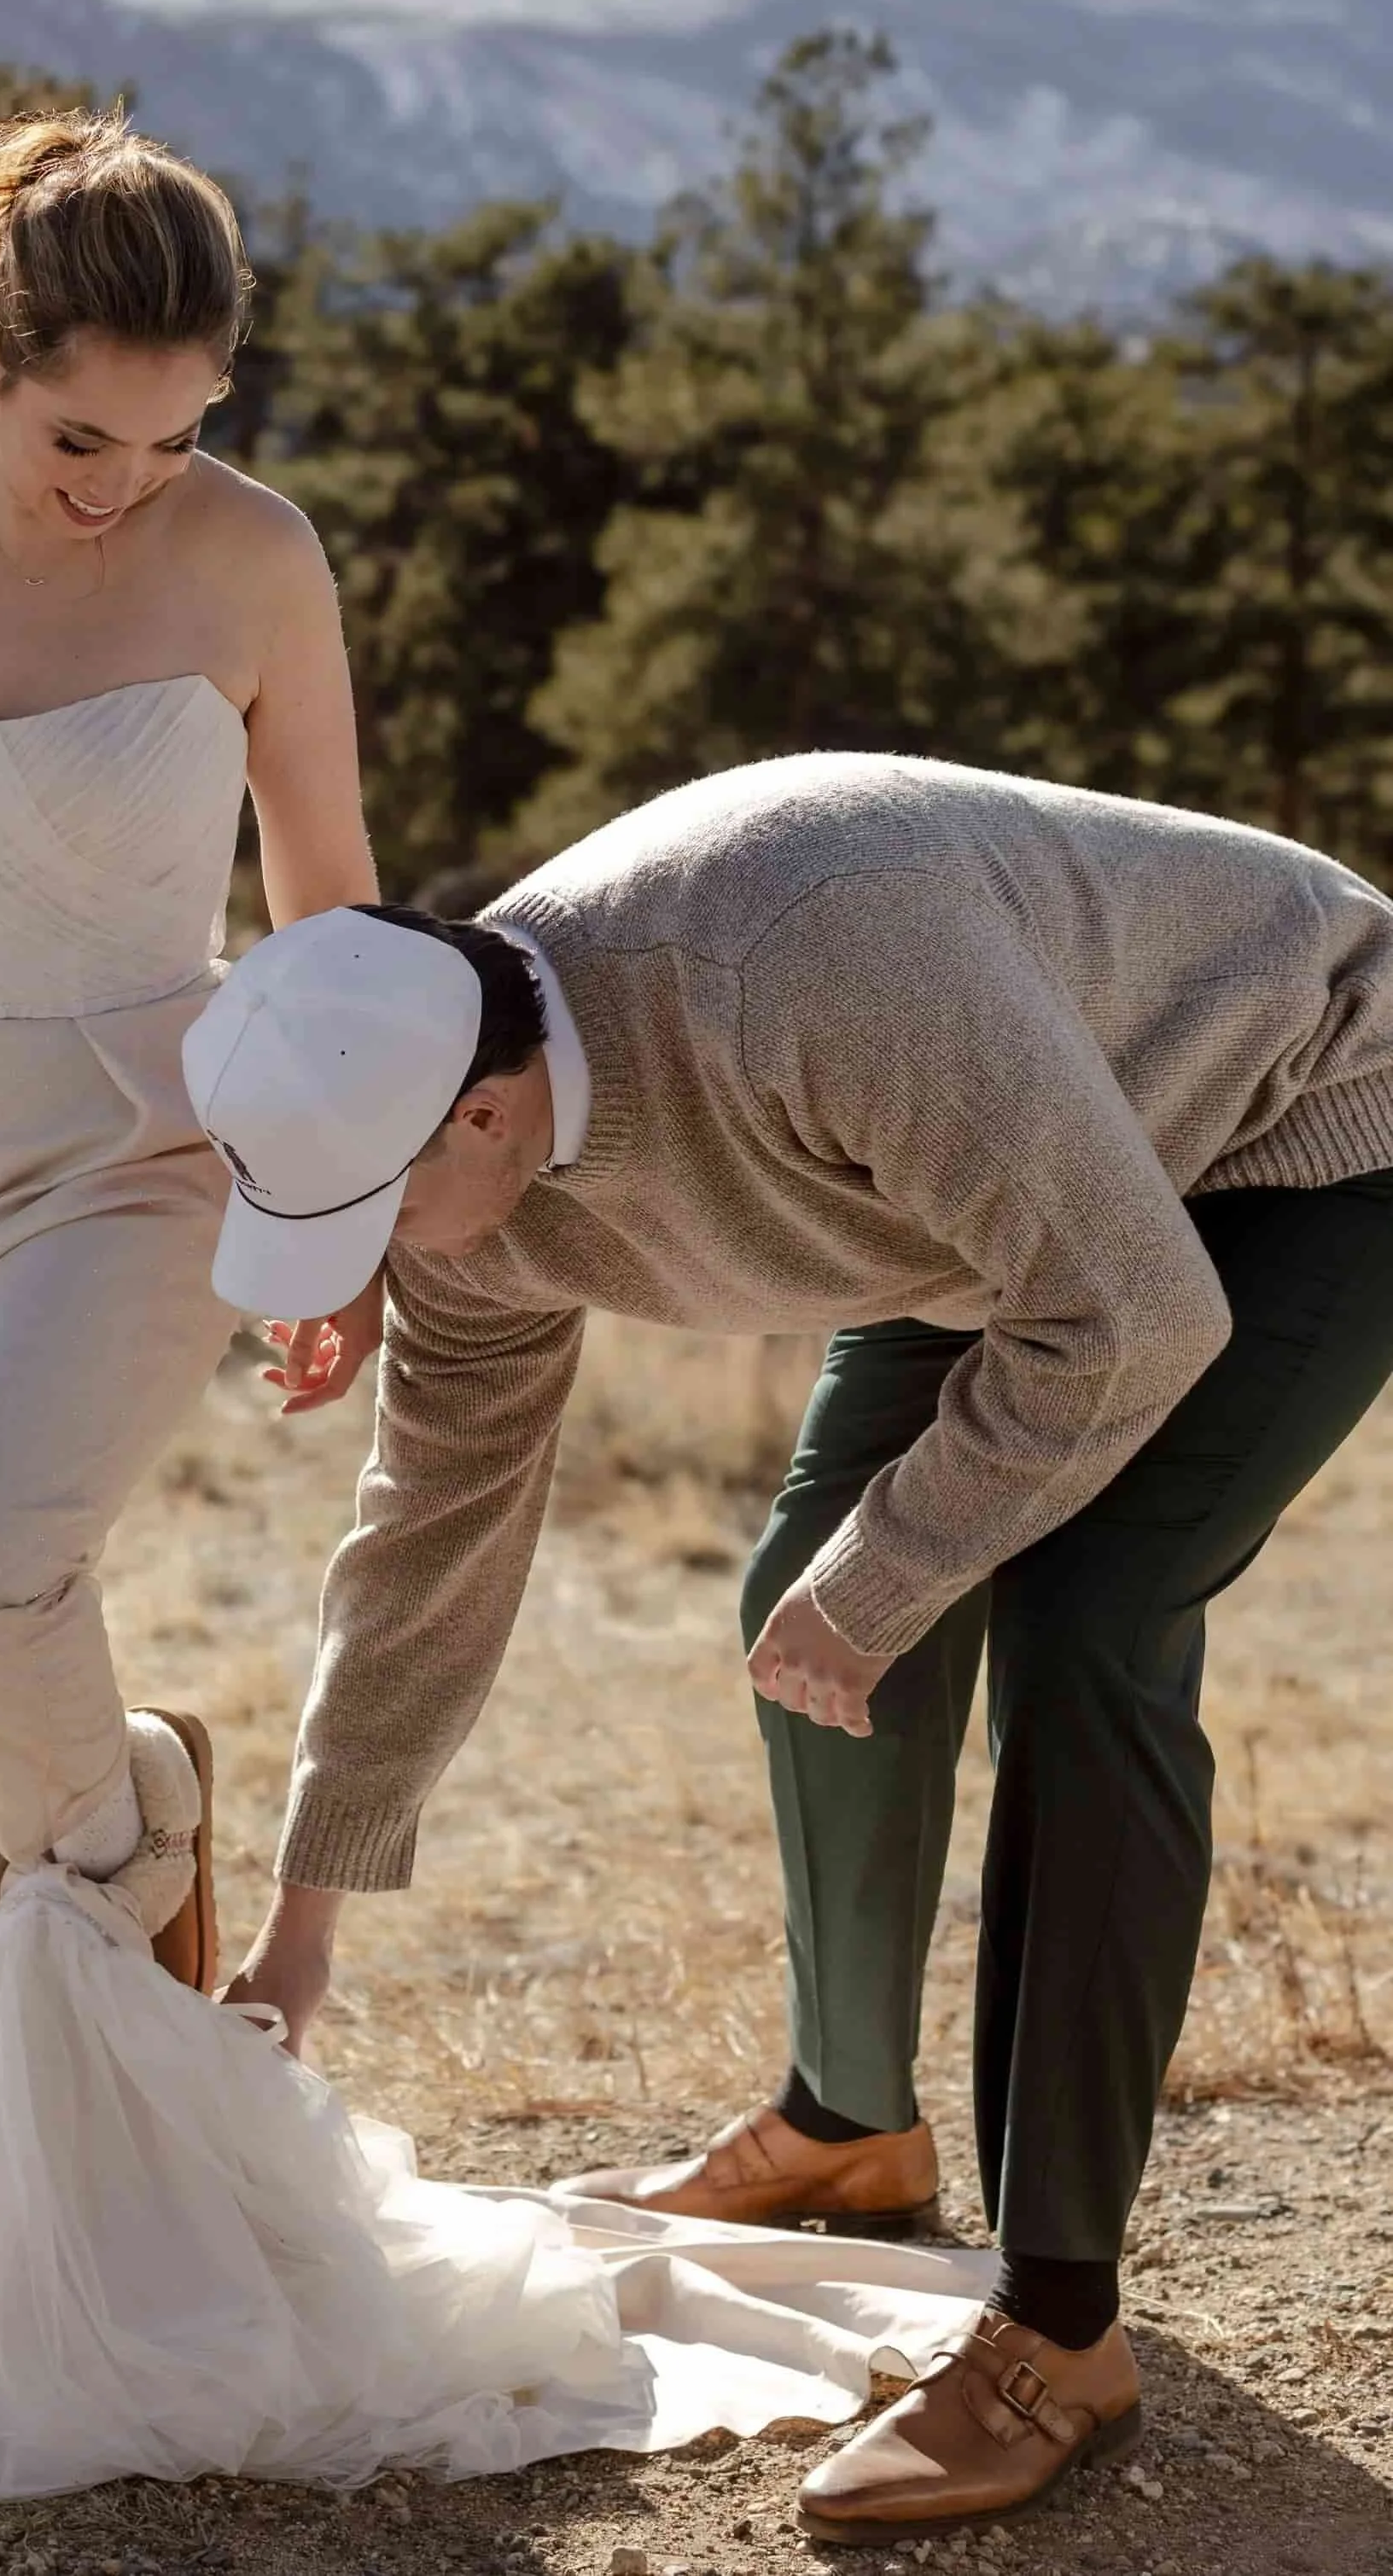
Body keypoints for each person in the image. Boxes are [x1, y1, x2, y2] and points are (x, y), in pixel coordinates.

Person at [0, 113, 988, 2504]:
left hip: (142, 1143)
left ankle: (137, 1829)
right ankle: (32, 2275)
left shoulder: (249, 562)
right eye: (86, 436)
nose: (126, 486)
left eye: (177, 439)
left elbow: (334, 909)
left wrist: (343, 1205)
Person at [195, 753, 1393, 2543]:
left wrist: (897, 1560)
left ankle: (1055, 2325)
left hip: (1291, 1119)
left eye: (356, 1216)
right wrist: (304, 1924)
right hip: (988, 1200)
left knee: (1078, 1624)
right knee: (800, 1601)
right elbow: (430, 1536)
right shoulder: (446, 1165)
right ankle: (848, 2120)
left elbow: (1132, 1308)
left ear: (483, 1118)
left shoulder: (805, 967)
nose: (347, 1270)